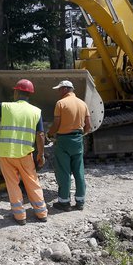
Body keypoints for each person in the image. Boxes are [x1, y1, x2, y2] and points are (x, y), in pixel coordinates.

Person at [0, 79, 47, 225]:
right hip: (25, 155)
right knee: (32, 183)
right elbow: (41, 135)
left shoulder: (6, 107)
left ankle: (20, 217)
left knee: (12, 185)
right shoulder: (36, 112)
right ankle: (42, 213)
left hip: (6, 155)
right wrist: (40, 154)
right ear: (29, 94)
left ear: (17, 92)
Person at [46, 79, 92, 211]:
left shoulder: (61, 103)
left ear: (65, 89)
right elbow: (88, 126)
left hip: (63, 141)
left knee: (64, 171)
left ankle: (64, 202)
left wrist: (49, 134)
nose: (58, 92)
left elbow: (56, 124)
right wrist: (81, 135)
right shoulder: (83, 104)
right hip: (77, 140)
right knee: (79, 171)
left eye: (59, 90)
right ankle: (80, 202)